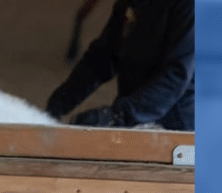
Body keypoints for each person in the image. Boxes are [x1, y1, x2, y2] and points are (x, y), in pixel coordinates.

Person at [45, 0, 194, 131]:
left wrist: (117, 116)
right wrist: (61, 101)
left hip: (176, 124)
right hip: (136, 115)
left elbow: (177, 75)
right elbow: (104, 55)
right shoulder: (132, 3)